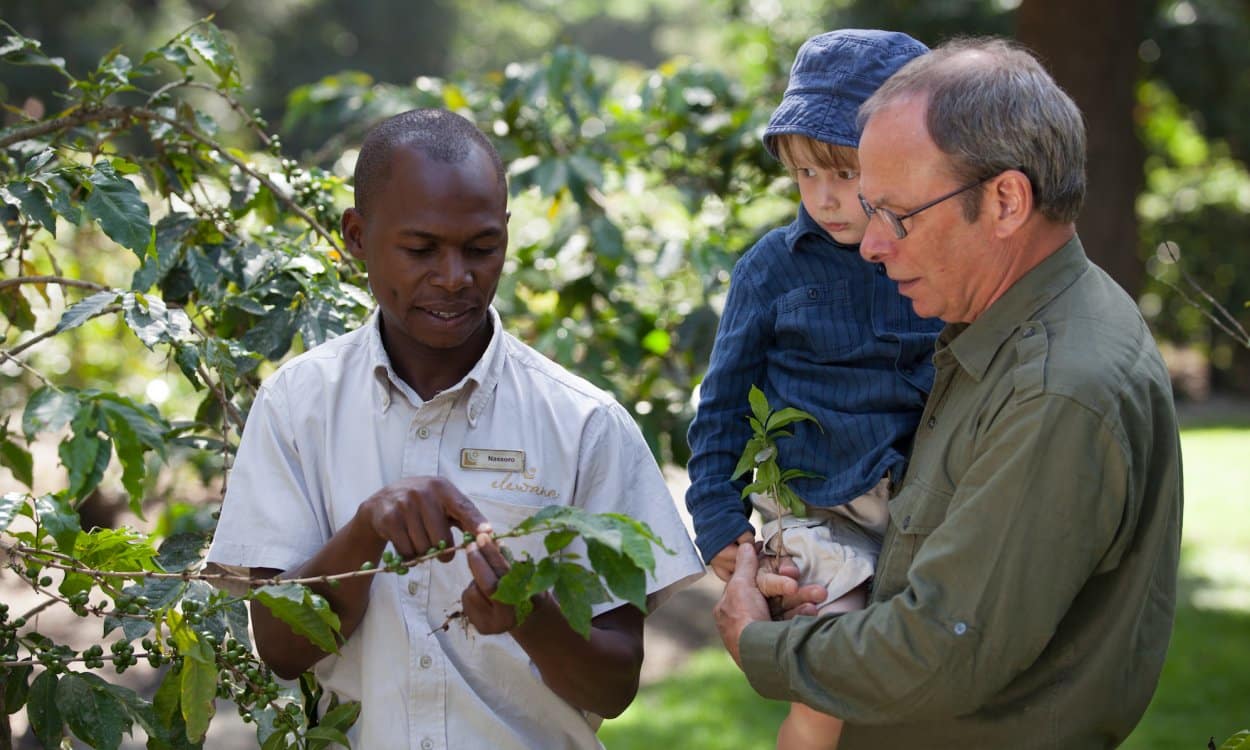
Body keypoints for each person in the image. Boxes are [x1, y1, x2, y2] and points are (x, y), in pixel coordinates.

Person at [714, 37, 1184, 749]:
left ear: (1004, 200)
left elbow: (938, 649)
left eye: (895, 213)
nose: (869, 245)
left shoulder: (1056, 391)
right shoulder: (1000, 324)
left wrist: (756, 641)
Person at [206, 108, 705, 749]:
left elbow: (614, 685)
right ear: (357, 236)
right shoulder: (298, 407)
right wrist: (364, 532)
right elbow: (279, 650)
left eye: (481, 248)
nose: (454, 277)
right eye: (419, 249)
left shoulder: (585, 424)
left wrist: (529, 614)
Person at [685, 29, 941, 749]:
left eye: (843, 173)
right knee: (831, 661)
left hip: (924, 504)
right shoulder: (772, 269)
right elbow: (722, 409)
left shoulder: (934, 259)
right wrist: (720, 527)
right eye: (803, 175)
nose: (824, 199)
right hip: (820, 503)